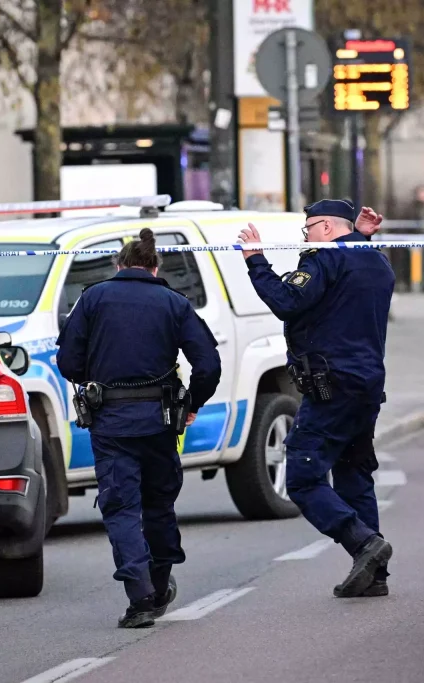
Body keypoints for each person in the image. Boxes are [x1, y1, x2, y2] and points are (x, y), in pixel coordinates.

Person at [55, 228, 222, 628]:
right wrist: (192, 404)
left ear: (118, 266)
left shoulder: (92, 298)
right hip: (161, 422)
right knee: (159, 504)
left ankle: (141, 596)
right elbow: (209, 365)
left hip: (111, 424)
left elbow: (68, 362)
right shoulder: (173, 301)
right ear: (155, 266)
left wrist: (96, 378)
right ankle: (160, 582)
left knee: (122, 508)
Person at [237, 200, 395, 598]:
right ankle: (374, 575)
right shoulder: (375, 260)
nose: (305, 238)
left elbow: (287, 301)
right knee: (354, 476)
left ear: (325, 228)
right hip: (366, 385)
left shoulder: (324, 260)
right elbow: (348, 276)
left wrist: (256, 260)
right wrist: (359, 236)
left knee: (304, 478)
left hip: (332, 386)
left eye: (308, 230)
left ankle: (363, 544)